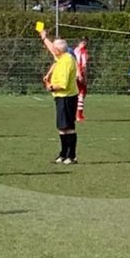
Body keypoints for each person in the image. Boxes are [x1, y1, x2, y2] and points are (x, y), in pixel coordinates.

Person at [38, 28, 80, 164]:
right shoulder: (61, 56)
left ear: (59, 50)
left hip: (66, 96)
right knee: (62, 127)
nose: (52, 50)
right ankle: (63, 154)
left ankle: (72, 155)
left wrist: (50, 86)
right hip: (60, 97)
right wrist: (44, 37)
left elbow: (63, 84)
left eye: (55, 48)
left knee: (68, 127)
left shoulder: (67, 61)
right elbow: (52, 49)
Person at [73, 37, 90, 121]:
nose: (85, 44)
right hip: (80, 73)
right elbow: (84, 65)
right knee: (81, 93)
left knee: (76, 93)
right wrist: (83, 76)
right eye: (84, 42)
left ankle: (76, 113)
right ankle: (79, 115)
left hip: (73, 73)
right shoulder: (83, 52)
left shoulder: (75, 50)